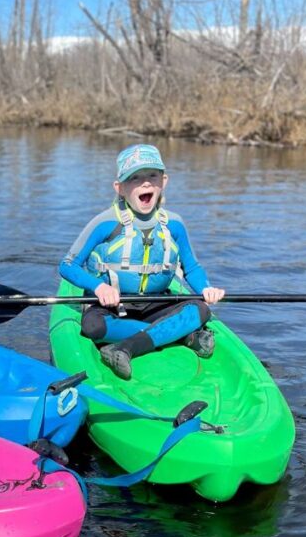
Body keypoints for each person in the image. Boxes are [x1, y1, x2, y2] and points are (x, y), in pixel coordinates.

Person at [58, 144, 225, 380]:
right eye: (135, 178)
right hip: (112, 306)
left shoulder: (174, 224)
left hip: (156, 304)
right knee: (93, 327)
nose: (145, 183)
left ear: (163, 181)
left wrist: (206, 289)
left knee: (201, 310)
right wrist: (99, 287)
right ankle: (182, 336)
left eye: (152, 176)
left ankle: (125, 348)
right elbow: (67, 265)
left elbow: (193, 268)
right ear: (120, 188)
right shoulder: (105, 223)